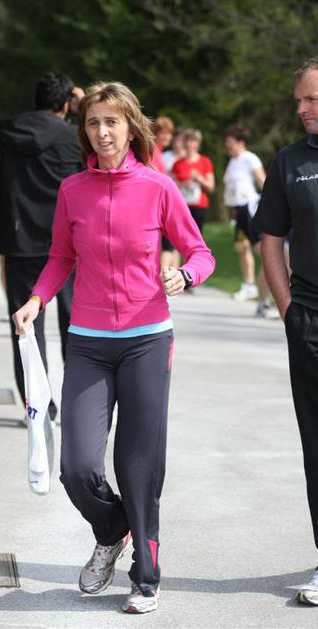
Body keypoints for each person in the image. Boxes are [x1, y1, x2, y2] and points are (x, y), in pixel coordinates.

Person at [12, 81, 215, 614]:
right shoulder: (72, 190)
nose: (102, 132)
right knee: (77, 465)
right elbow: (61, 257)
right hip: (88, 341)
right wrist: (36, 299)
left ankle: (146, 576)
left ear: (130, 128)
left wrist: (185, 275)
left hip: (148, 339)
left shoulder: (158, 187)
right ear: (84, 129)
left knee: (138, 462)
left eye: (112, 122)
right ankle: (112, 528)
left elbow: (201, 252)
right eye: (93, 122)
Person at [0, 72, 83, 420]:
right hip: (70, 246)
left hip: (20, 242)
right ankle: (80, 404)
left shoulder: (8, 135)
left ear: (34, 101)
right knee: (76, 324)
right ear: (66, 105)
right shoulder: (74, 138)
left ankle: (38, 406)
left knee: (26, 325)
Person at [253, 57, 318, 605]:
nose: (301, 109)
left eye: (312, 99)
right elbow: (270, 237)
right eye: (298, 100)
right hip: (311, 317)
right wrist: (288, 308)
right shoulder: (289, 162)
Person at [223, 124, 275, 317]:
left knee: (266, 253)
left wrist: (274, 204)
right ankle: (250, 285)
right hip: (238, 212)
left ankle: (265, 298)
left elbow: (263, 181)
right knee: (242, 248)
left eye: (230, 141)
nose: (227, 145)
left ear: (240, 142)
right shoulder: (233, 161)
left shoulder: (249, 158)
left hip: (250, 208)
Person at [172, 128, 215, 234]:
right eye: (187, 141)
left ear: (198, 144)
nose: (189, 144)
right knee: (182, 235)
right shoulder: (177, 163)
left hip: (199, 206)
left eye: (193, 141)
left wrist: (199, 178)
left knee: (196, 235)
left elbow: (211, 187)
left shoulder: (205, 161)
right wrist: (182, 184)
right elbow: (172, 186)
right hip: (182, 206)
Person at [150, 116, 180, 267]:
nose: (167, 137)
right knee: (167, 244)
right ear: (155, 133)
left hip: (160, 202)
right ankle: (165, 277)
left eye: (170, 133)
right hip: (155, 203)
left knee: (169, 243)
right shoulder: (151, 151)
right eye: (163, 133)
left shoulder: (158, 152)